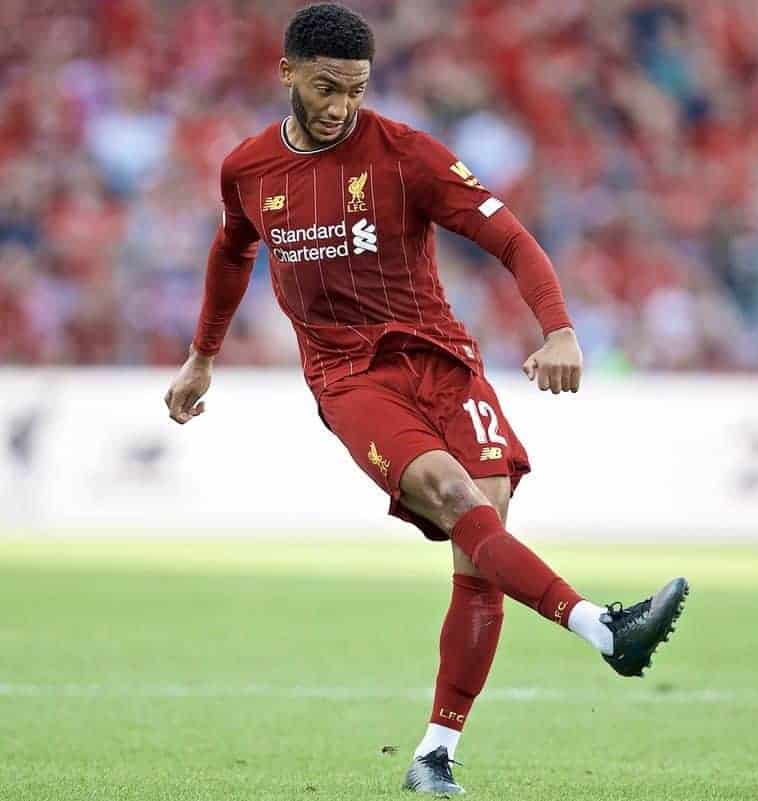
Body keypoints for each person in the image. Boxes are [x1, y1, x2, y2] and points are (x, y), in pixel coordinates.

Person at [162, 3, 688, 795]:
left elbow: (508, 234)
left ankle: (434, 754)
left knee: (481, 551)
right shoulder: (247, 169)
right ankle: (601, 626)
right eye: (326, 87)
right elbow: (231, 250)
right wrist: (203, 356)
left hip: (445, 362)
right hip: (350, 379)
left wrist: (560, 329)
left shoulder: (407, 155)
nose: (341, 104)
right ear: (288, 74)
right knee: (452, 494)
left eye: (356, 88)